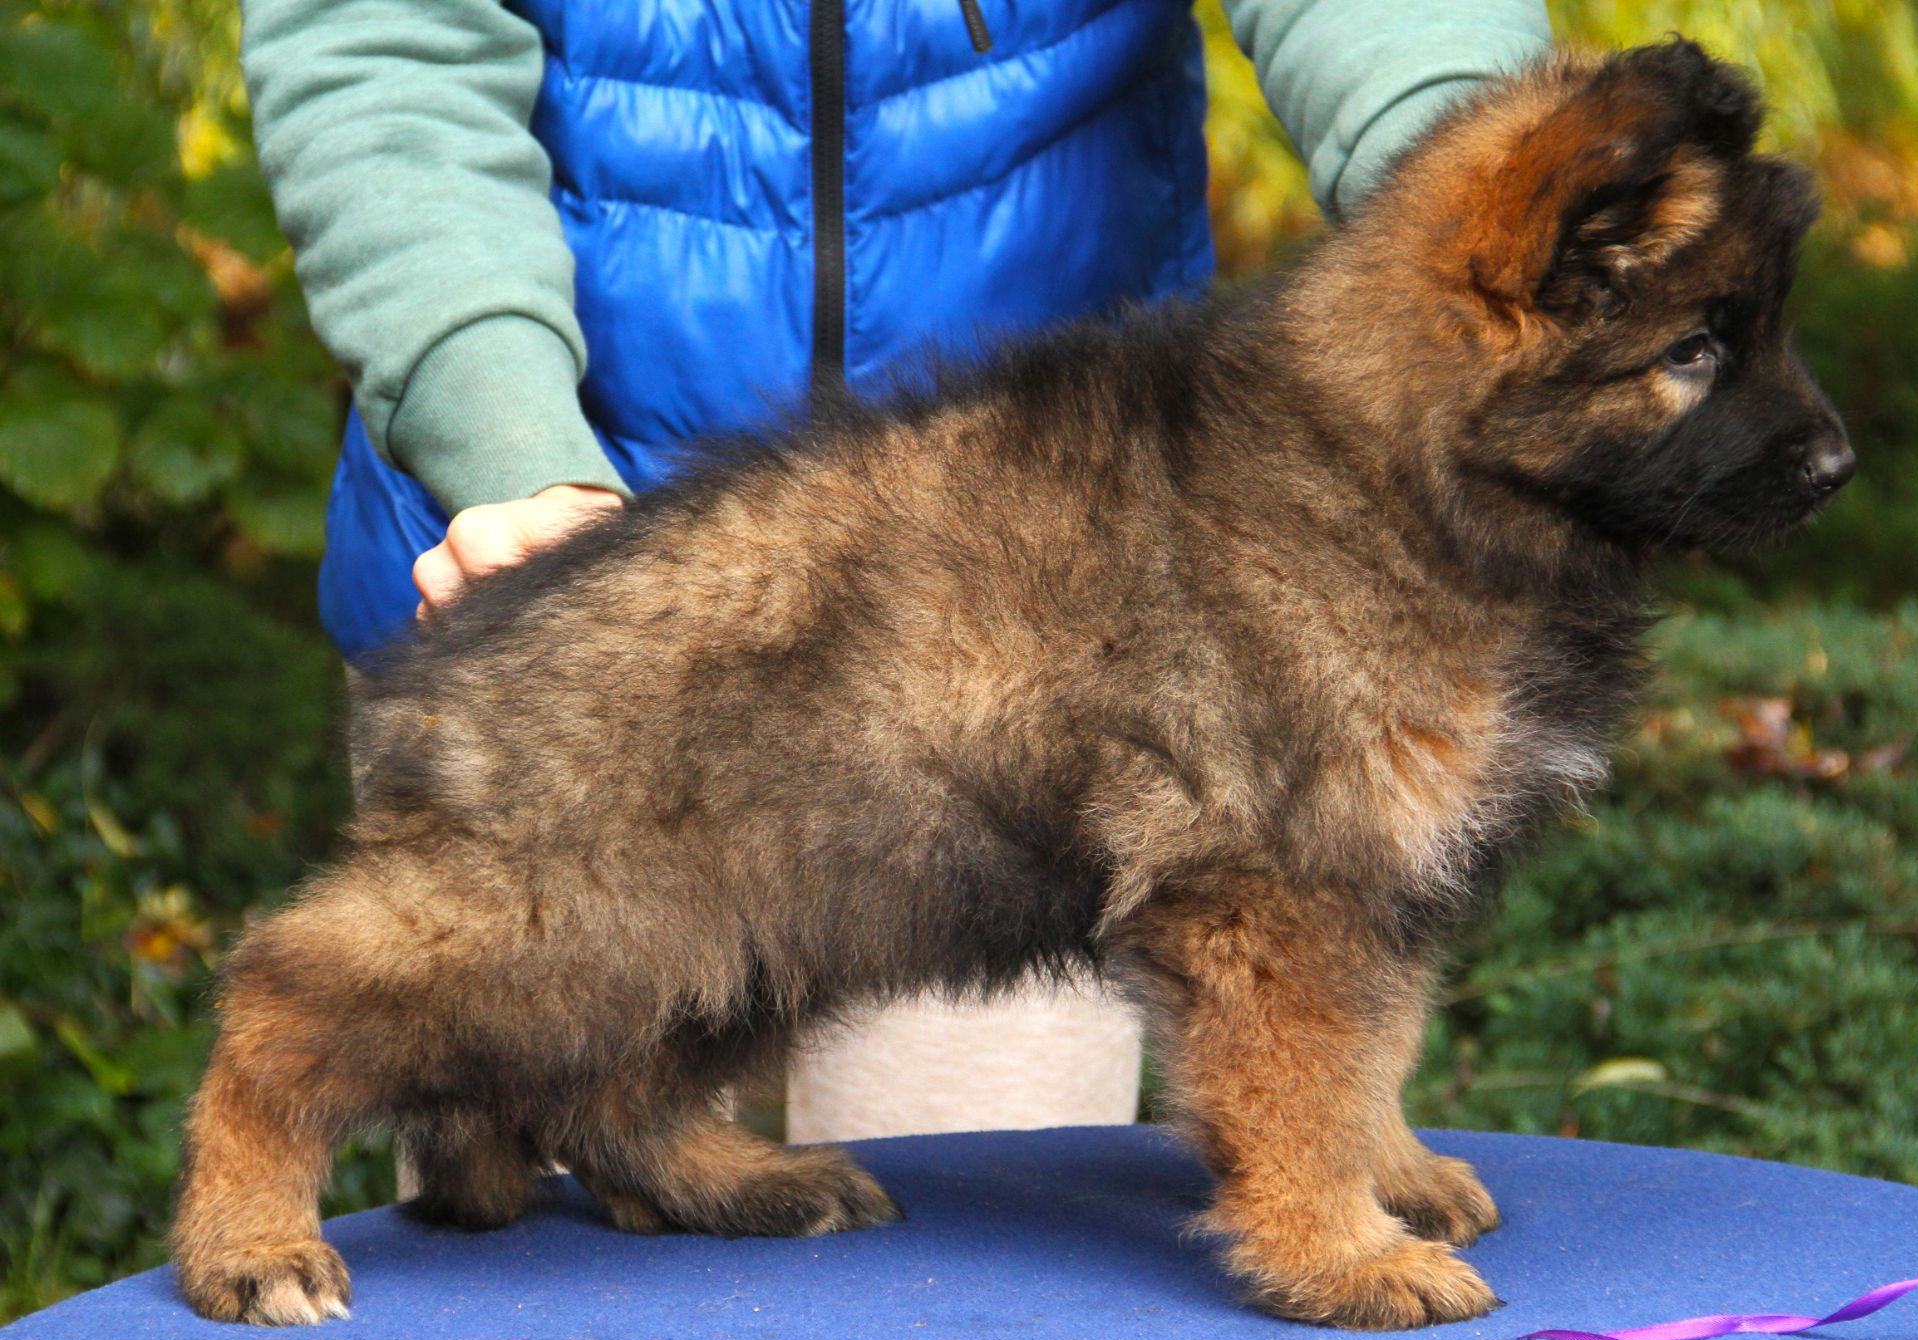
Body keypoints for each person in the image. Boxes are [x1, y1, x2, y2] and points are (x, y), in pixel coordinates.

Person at [241, 0, 1550, 1144]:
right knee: (547, 1282)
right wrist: (510, 451)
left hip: (1031, 661)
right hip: (559, 588)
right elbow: (381, 43)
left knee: (980, 1280)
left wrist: (1508, 221)